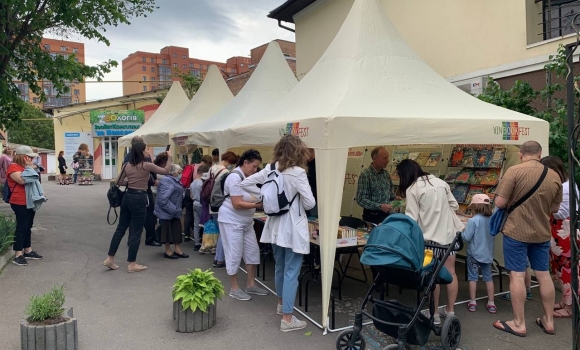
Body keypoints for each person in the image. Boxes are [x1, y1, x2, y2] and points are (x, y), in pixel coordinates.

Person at [241, 135, 315, 332]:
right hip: (293, 228)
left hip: (274, 226)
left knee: (280, 267)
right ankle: (288, 319)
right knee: (292, 271)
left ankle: (282, 305)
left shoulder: (270, 168)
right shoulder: (298, 173)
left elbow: (245, 184)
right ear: (298, 151)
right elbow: (310, 203)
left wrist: (266, 199)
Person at [492, 141, 562, 337]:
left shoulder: (514, 172)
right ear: (540, 154)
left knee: (516, 274)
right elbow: (555, 209)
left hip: (516, 231)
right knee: (543, 274)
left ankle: (518, 323)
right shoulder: (554, 175)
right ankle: (548, 321)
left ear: (521, 154)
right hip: (541, 232)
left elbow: (499, 202)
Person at [396, 159, 463, 325]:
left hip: (428, 240)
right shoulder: (441, 183)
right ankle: (450, 310)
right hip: (448, 237)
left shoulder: (413, 189)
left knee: (433, 275)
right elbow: (454, 205)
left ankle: (434, 315)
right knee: (451, 272)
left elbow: (412, 218)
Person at [103, 142, 172, 273]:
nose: (148, 152)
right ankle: (132, 263)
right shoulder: (146, 165)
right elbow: (166, 171)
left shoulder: (127, 165)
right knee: (136, 231)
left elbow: (119, 182)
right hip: (139, 198)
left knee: (120, 229)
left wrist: (131, 182)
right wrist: (169, 157)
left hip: (127, 197)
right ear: (141, 151)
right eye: (146, 149)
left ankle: (110, 258)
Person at [217, 150, 268, 300]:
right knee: (234, 253)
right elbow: (237, 203)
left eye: (257, 167)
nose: (255, 170)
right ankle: (234, 288)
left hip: (246, 222)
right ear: (245, 163)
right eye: (253, 166)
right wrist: (259, 205)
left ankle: (251, 285)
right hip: (231, 221)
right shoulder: (234, 178)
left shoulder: (248, 178)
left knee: (252, 252)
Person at [541, 155, 577, 318]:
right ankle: (565, 300)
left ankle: (569, 307)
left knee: (566, 268)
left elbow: (561, 212)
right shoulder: (567, 183)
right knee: (561, 268)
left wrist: (545, 207)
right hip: (562, 231)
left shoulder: (565, 187)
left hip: (564, 231)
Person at [201, 151, 239, 267]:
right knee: (224, 233)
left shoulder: (212, 168)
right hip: (221, 203)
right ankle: (220, 259)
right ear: (230, 161)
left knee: (221, 231)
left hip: (212, 203)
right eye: (232, 163)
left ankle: (218, 258)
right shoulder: (226, 172)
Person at [7, 146, 43, 266]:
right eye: (30, 157)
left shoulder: (24, 167)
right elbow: (24, 180)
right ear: (24, 157)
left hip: (30, 201)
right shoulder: (13, 167)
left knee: (28, 226)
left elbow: (35, 178)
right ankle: (18, 254)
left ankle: (28, 250)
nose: (32, 159)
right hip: (19, 202)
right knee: (22, 227)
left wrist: (29, 167)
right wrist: (29, 167)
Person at [123, 136, 161, 247]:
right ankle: (150, 239)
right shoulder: (145, 156)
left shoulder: (127, 157)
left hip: (130, 190)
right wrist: (154, 180)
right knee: (149, 216)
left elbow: (123, 172)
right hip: (144, 190)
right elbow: (152, 171)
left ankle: (131, 240)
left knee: (132, 217)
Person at [462, 194, 496, 314]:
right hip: (487, 254)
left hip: (474, 254)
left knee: (473, 277)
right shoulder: (492, 220)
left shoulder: (473, 220)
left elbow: (466, 237)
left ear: (475, 206)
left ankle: (472, 302)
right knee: (488, 278)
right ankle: (491, 303)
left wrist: (459, 233)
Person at [155, 164, 189, 259]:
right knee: (167, 231)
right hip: (168, 211)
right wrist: (173, 209)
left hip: (174, 210)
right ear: (173, 173)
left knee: (176, 230)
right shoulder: (167, 181)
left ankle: (177, 250)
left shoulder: (174, 180)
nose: (181, 174)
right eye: (179, 172)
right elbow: (163, 199)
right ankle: (168, 251)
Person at [356, 146, 394, 225]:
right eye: (384, 158)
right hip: (372, 216)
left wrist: (394, 198)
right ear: (374, 158)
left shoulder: (386, 174)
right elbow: (361, 199)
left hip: (387, 215)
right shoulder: (366, 175)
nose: (387, 161)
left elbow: (389, 193)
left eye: (388, 158)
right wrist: (380, 206)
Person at [190, 165, 209, 251]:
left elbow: (191, 195)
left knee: (196, 224)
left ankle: (196, 243)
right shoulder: (202, 183)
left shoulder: (193, 183)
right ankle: (205, 243)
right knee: (205, 224)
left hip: (194, 203)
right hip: (202, 205)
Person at [306, 148, 317, 217]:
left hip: (314, 198)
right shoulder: (305, 164)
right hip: (307, 198)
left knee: (313, 218)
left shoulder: (317, 165)